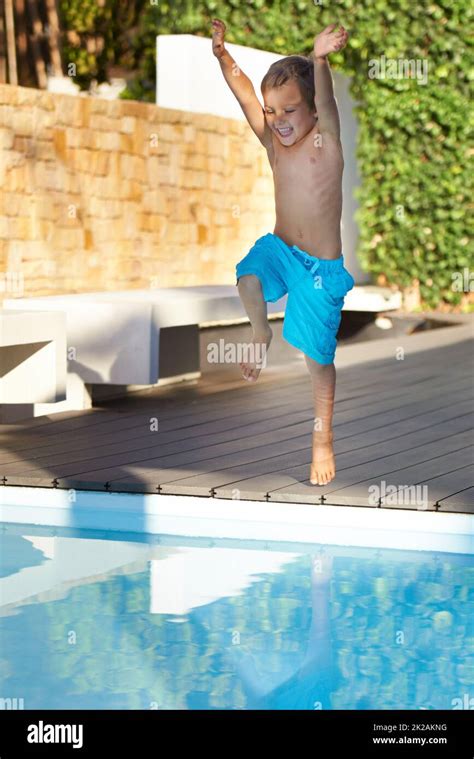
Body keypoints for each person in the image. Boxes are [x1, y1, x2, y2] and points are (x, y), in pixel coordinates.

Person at [212, 19, 355, 486]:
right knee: (248, 274)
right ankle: (259, 333)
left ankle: (321, 438)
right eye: (273, 113)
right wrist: (223, 56)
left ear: (311, 108)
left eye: (289, 109)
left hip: (320, 271)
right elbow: (247, 97)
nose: (279, 120)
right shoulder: (275, 145)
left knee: (318, 362)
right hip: (281, 250)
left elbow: (328, 100)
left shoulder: (325, 140)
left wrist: (319, 59)